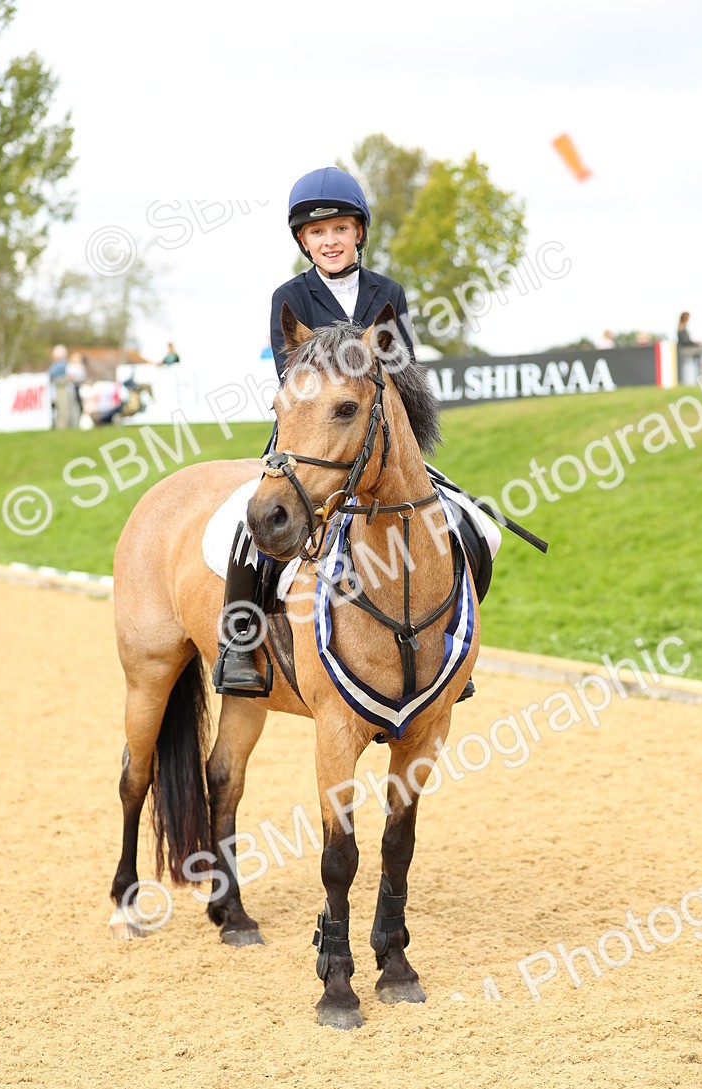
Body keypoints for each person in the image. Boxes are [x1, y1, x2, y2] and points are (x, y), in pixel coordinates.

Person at [213, 166, 499, 698]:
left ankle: (451, 647)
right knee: (245, 525)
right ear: (303, 240)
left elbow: (405, 376)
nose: (330, 240)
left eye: (340, 229)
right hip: (309, 439)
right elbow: (295, 382)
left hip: (379, 441)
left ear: (359, 232)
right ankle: (238, 645)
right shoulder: (289, 297)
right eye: (317, 232)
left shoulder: (389, 293)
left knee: (479, 529)